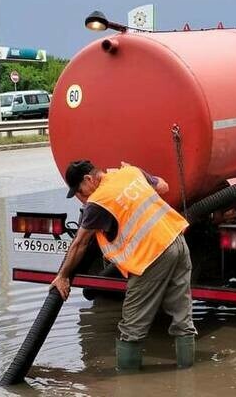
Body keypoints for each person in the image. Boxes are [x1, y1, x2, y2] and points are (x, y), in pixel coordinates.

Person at [50, 159, 197, 371]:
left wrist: (63, 276)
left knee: (131, 326)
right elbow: (163, 186)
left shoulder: (98, 202)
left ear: (89, 179)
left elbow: (79, 243)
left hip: (152, 256)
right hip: (177, 242)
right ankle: (187, 377)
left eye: (80, 192)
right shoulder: (129, 172)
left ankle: (126, 382)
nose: (81, 199)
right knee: (182, 317)